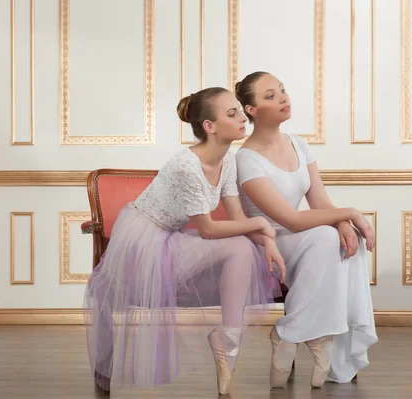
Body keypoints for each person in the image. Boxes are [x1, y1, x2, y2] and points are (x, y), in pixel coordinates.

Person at [83, 87, 286, 395]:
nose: (242, 117)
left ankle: (227, 343)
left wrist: (267, 239)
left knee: (243, 246)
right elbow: (208, 230)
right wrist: (261, 224)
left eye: (239, 111)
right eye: (232, 114)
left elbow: (236, 221)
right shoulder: (186, 166)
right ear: (210, 126)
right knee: (239, 246)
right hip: (143, 244)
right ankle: (227, 341)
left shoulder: (228, 161)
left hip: (170, 239)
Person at [234, 71, 378, 389]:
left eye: (282, 91)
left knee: (342, 241)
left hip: (301, 238)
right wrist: (352, 213)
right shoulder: (246, 159)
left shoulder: (299, 145)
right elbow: (291, 220)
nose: (283, 98)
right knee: (329, 238)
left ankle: (303, 337)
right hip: (266, 242)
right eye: (270, 96)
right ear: (251, 110)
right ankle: (302, 333)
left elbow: (320, 202)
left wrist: (343, 223)